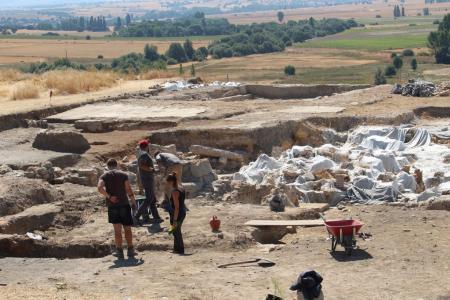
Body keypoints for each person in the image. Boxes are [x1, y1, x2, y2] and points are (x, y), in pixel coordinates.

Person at [97, 158, 137, 260]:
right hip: (124, 204)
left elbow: (99, 188)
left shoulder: (104, 176)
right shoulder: (123, 175)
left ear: (107, 166)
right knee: (127, 228)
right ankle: (131, 251)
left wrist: (109, 197)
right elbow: (128, 189)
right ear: (117, 165)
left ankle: (119, 252)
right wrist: (133, 201)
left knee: (117, 230)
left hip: (113, 206)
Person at [135, 139, 162, 225]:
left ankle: (156, 217)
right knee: (149, 199)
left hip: (147, 178)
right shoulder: (144, 154)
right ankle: (136, 216)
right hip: (147, 179)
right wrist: (152, 169)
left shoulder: (142, 154)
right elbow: (141, 165)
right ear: (147, 146)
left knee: (152, 199)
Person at [166, 172, 187, 255]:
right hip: (182, 212)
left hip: (177, 214)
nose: (167, 184)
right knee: (175, 231)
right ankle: (176, 249)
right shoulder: (181, 188)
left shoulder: (175, 192)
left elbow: (177, 207)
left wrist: (174, 219)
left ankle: (180, 249)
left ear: (171, 182)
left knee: (176, 231)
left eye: (168, 182)